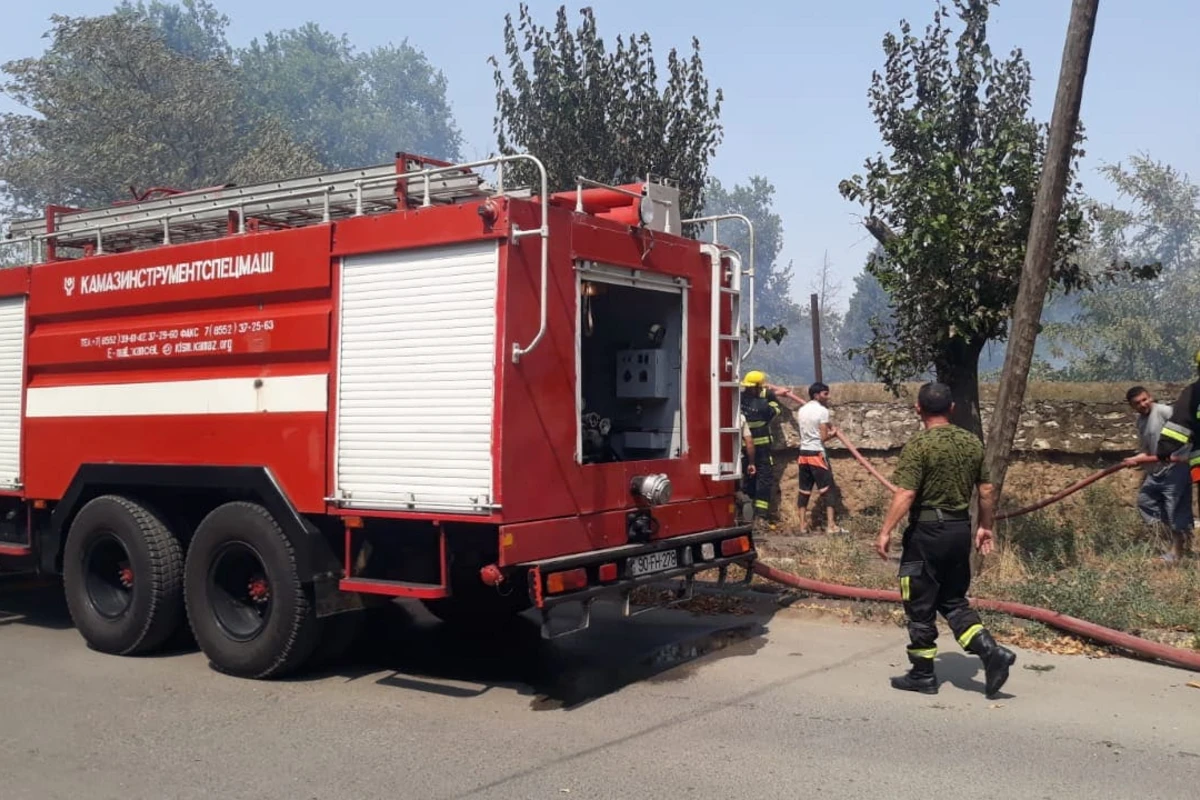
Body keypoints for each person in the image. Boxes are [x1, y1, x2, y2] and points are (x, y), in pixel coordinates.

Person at [874, 382, 1016, 698]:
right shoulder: (972, 443)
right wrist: (985, 526)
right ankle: (991, 653)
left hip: (927, 535)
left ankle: (923, 675)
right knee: (952, 600)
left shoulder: (919, 445)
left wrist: (885, 531)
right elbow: (987, 491)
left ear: (918, 409)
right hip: (958, 532)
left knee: (920, 600)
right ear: (952, 409)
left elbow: (906, 492)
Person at [1125, 385, 1193, 563]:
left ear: (1150, 397)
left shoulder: (1163, 411)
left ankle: (1177, 552)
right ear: (1133, 407)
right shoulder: (1140, 422)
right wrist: (1135, 459)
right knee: (1145, 501)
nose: (1143, 404)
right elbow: (1149, 451)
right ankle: (1178, 538)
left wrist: (1185, 455)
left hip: (1176, 468)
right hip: (1157, 471)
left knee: (1174, 508)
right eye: (1137, 403)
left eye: (1144, 399)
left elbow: (1186, 428)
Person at [794, 382, 845, 534]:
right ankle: (831, 526)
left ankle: (802, 526)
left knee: (804, 490)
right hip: (817, 454)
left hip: (803, 455)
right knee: (828, 489)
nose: (828, 397)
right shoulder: (823, 411)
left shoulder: (802, 410)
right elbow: (822, 437)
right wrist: (833, 434)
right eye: (825, 394)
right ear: (816, 395)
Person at [738, 370, 784, 526]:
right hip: (762, 450)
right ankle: (761, 516)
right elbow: (775, 410)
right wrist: (770, 394)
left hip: (743, 450)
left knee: (746, 481)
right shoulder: (764, 406)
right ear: (758, 387)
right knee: (764, 481)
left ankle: (745, 516)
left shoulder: (738, 401)